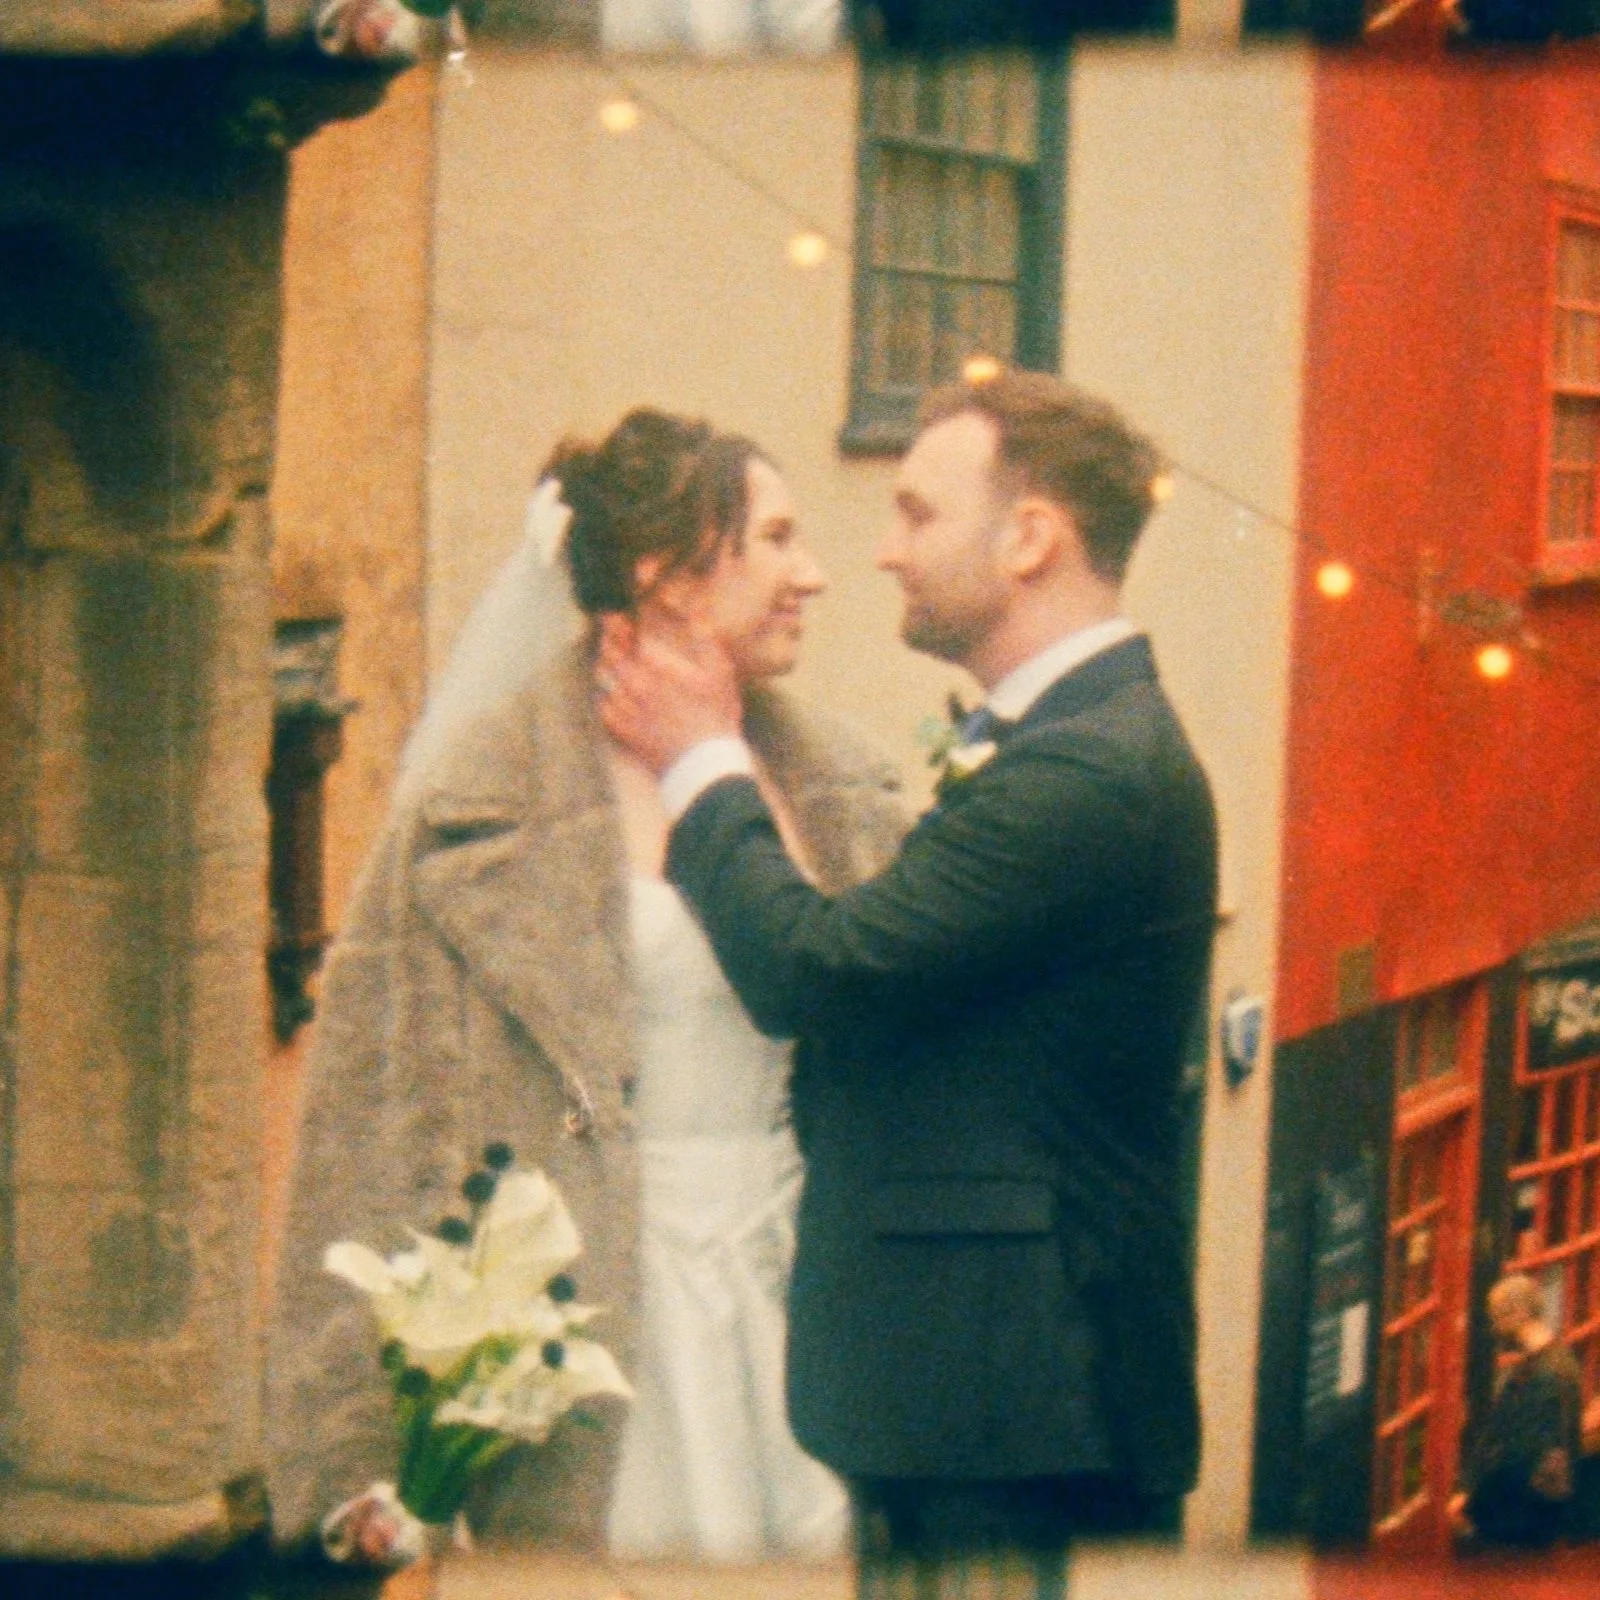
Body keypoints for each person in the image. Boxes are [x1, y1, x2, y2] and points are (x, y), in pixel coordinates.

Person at [597, 367, 1219, 1599]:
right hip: (969, 1394)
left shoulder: (1087, 773)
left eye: (919, 515)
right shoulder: (1067, 742)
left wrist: (701, 764)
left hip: (1018, 1410)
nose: (879, 553)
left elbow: (819, 972)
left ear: (1031, 537)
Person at [264, 409, 907, 1566]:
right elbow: (364, 1130)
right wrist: (353, 1461)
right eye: (774, 540)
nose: (812, 575)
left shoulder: (852, 791)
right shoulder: (471, 810)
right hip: (588, 1327)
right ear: (665, 572)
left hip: (809, 1300)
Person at [1449, 1272, 1584, 1550]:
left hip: (1526, 1513)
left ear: (1518, 1315)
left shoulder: (1544, 1375)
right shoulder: (1557, 1360)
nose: (1494, 1328)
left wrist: (1471, 1500)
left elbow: (1520, 1451)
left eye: (1496, 1317)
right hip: (1540, 1504)